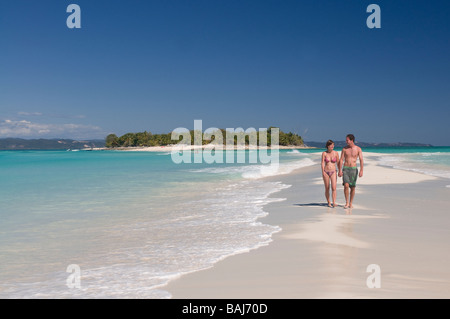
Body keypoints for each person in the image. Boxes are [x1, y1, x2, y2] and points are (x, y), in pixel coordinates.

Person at [338, 134, 364, 209]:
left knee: (352, 187)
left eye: (347, 140)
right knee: (346, 185)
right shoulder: (344, 149)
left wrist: (361, 170)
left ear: (351, 140)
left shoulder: (358, 149)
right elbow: (341, 159)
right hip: (345, 168)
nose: (346, 141)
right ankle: (346, 202)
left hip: (353, 169)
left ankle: (351, 203)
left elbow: (361, 160)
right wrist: (340, 170)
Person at [321, 140, 339, 207]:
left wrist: (340, 170)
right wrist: (323, 171)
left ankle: (334, 202)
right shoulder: (324, 153)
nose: (332, 146)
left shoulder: (336, 153)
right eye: (331, 145)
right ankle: (329, 202)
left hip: (333, 171)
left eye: (333, 145)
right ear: (328, 146)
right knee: (327, 188)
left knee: (334, 187)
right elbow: (322, 163)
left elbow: (338, 162)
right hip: (326, 171)